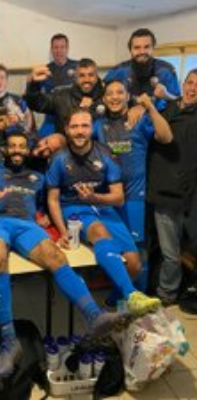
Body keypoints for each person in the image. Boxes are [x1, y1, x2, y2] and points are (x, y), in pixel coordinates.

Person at [0, 131, 130, 378]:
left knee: (57, 258)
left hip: (27, 225)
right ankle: (9, 341)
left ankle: (94, 316)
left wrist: (47, 218)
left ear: (27, 150)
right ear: (6, 149)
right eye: (12, 146)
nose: (17, 150)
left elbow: (46, 206)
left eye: (21, 146)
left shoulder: (38, 178)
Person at [46, 109, 161, 318]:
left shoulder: (106, 154)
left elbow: (119, 198)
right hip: (74, 207)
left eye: (84, 126)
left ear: (92, 128)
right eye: (74, 126)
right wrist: (63, 232)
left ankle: (109, 307)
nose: (79, 131)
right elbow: (52, 199)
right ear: (67, 130)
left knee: (134, 265)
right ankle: (132, 294)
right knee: (99, 230)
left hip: (102, 206)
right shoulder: (58, 159)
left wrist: (94, 197)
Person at [93, 80, 172, 293]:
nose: (115, 97)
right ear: (104, 99)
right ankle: (121, 298)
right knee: (116, 249)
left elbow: (166, 137)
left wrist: (149, 107)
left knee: (138, 250)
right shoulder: (99, 125)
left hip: (135, 197)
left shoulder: (140, 118)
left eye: (120, 92)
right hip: (109, 197)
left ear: (128, 96)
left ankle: (140, 299)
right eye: (110, 93)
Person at [147, 69, 197, 305]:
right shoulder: (167, 109)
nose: (193, 88)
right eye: (190, 83)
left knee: (189, 250)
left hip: (192, 197)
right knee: (169, 253)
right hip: (165, 193)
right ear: (183, 84)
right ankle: (167, 294)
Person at [105, 28, 180, 112]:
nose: (142, 52)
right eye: (137, 47)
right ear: (130, 50)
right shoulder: (118, 71)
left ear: (153, 48)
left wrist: (166, 95)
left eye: (146, 47)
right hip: (126, 118)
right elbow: (103, 94)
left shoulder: (166, 70)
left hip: (158, 118)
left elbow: (179, 101)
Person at [25, 58, 104, 134]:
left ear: (96, 76)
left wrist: (89, 111)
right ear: (75, 77)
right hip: (65, 141)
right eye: (82, 75)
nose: (87, 80)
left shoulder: (106, 96)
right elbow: (36, 104)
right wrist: (34, 85)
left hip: (100, 142)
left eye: (91, 75)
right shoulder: (61, 94)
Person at [39, 33, 78, 137]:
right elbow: (35, 97)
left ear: (67, 48)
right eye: (56, 47)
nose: (59, 51)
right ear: (51, 49)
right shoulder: (44, 70)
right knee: (41, 140)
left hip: (74, 116)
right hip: (51, 119)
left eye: (62, 47)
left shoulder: (78, 67)